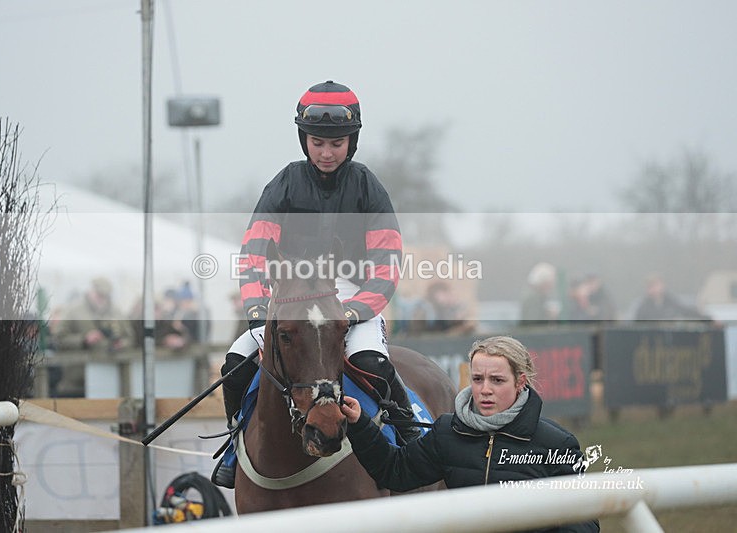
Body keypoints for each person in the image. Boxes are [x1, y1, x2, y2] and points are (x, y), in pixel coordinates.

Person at [213, 80, 419, 487]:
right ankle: (235, 446)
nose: (326, 153)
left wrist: (355, 310)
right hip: (290, 299)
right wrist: (257, 312)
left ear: (351, 142)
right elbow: (253, 253)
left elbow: (388, 260)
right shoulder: (284, 184)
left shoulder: (367, 186)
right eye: (317, 143)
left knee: (371, 364)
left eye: (337, 144)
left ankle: (409, 435)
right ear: (303, 139)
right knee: (236, 366)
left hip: (349, 298)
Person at [340, 335, 600, 533]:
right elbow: (394, 471)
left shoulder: (557, 444)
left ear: (520, 382)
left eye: (497, 380)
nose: (485, 389)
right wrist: (361, 424)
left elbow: (582, 522)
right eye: (478, 379)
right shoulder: (447, 433)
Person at [634, 273, 711, 322]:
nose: (653, 289)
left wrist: (709, 320)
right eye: (650, 286)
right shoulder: (643, 307)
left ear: (662, 285)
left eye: (655, 285)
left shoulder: (671, 301)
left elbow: (687, 311)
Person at [520, 262, 561, 326]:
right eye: (551, 282)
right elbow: (533, 325)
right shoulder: (533, 299)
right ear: (544, 282)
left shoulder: (538, 297)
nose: (552, 286)